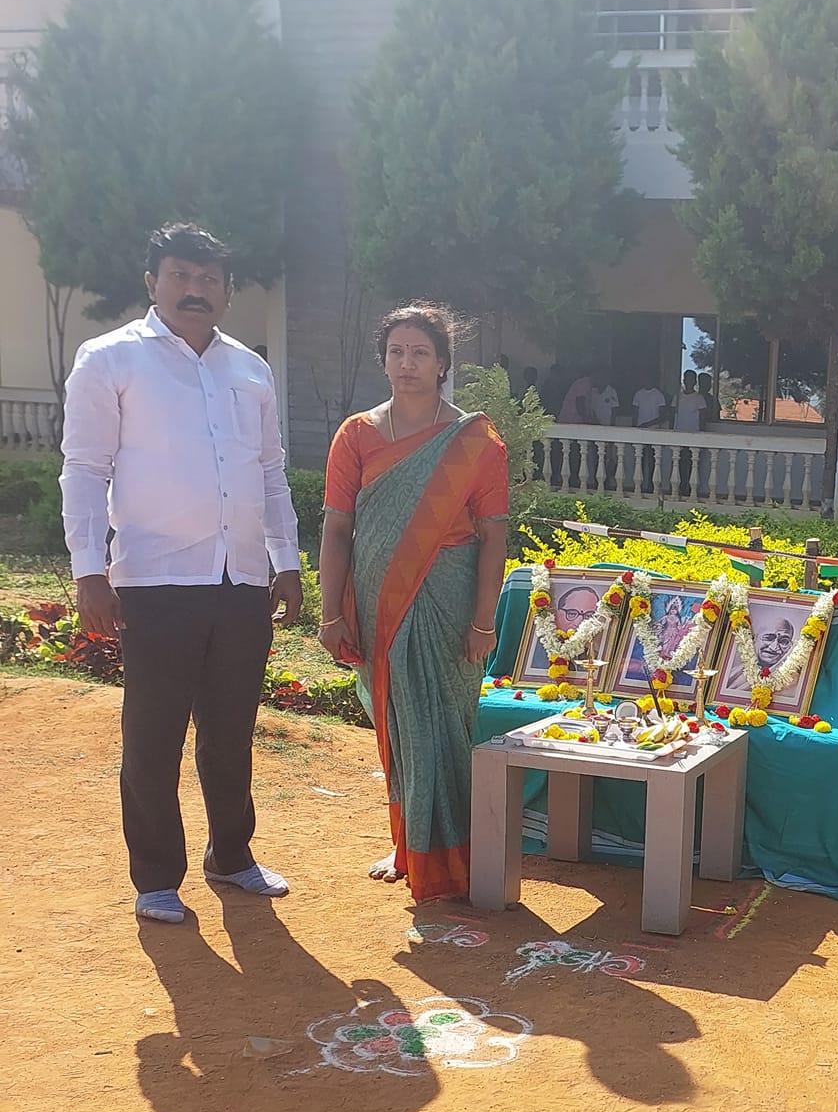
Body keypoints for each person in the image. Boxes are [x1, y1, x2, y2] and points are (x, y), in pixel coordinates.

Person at [59, 223, 302, 925]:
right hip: (155, 579)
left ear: (227, 291)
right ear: (152, 282)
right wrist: (89, 570)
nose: (195, 290)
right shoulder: (109, 360)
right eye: (180, 276)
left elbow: (269, 472)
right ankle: (157, 877)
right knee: (154, 735)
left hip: (239, 580)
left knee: (231, 730)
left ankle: (232, 855)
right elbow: (85, 469)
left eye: (209, 280)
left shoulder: (249, 370)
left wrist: (285, 561)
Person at [318, 303, 509, 902]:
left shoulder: (475, 442)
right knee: (399, 724)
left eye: (420, 352)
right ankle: (409, 845)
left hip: (449, 604)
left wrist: (484, 621)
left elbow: (494, 537)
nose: (407, 363)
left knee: (445, 727)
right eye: (397, 352)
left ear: (443, 363)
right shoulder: (356, 434)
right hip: (378, 603)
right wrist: (330, 613)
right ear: (383, 361)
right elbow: (337, 529)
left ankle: (452, 858)